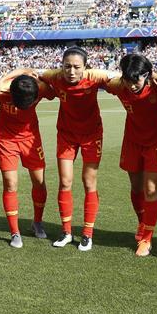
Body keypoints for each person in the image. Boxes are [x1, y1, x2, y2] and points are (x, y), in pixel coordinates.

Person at [36, 47, 114, 251]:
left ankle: (87, 234)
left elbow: (123, 76)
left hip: (91, 135)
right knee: (65, 182)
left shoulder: (95, 77)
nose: (71, 71)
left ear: (85, 67)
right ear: (61, 66)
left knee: (89, 182)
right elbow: (27, 70)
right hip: (66, 135)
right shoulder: (55, 76)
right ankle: (67, 232)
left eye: (76, 67)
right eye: (67, 66)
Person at [103, 53, 157, 257]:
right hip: (132, 141)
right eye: (128, 80)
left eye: (137, 80)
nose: (132, 85)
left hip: (156, 142)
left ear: (147, 75)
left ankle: (147, 239)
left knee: (150, 189)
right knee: (136, 187)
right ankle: (143, 222)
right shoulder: (119, 86)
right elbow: (96, 76)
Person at [0, 74, 54, 248]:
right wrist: (0, 80)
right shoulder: (2, 90)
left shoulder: (38, 89)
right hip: (6, 139)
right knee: (10, 184)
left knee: (39, 182)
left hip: (31, 139)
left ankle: (37, 222)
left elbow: (38, 77)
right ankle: (14, 231)